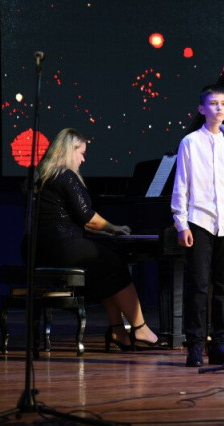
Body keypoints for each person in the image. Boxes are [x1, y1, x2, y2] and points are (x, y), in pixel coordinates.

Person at [24, 128, 160, 352]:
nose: (83, 159)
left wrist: (105, 232)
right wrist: (113, 228)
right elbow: (87, 217)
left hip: (40, 248)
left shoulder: (44, 176)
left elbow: (74, 218)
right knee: (116, 265)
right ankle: (140, 328)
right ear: (70, 150)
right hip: (63, 245)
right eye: (82, 153)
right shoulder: (66, 175)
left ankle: (117, 331)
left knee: (105, 271)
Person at [171, 84, 224, 367]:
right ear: (202, 109)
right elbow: (182, 184)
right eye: (214, 103)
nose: (220, 108)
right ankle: (194, 346)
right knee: (197, 286)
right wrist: (181, 223)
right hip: (200, 221)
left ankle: (220, 346)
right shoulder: (190, 142)